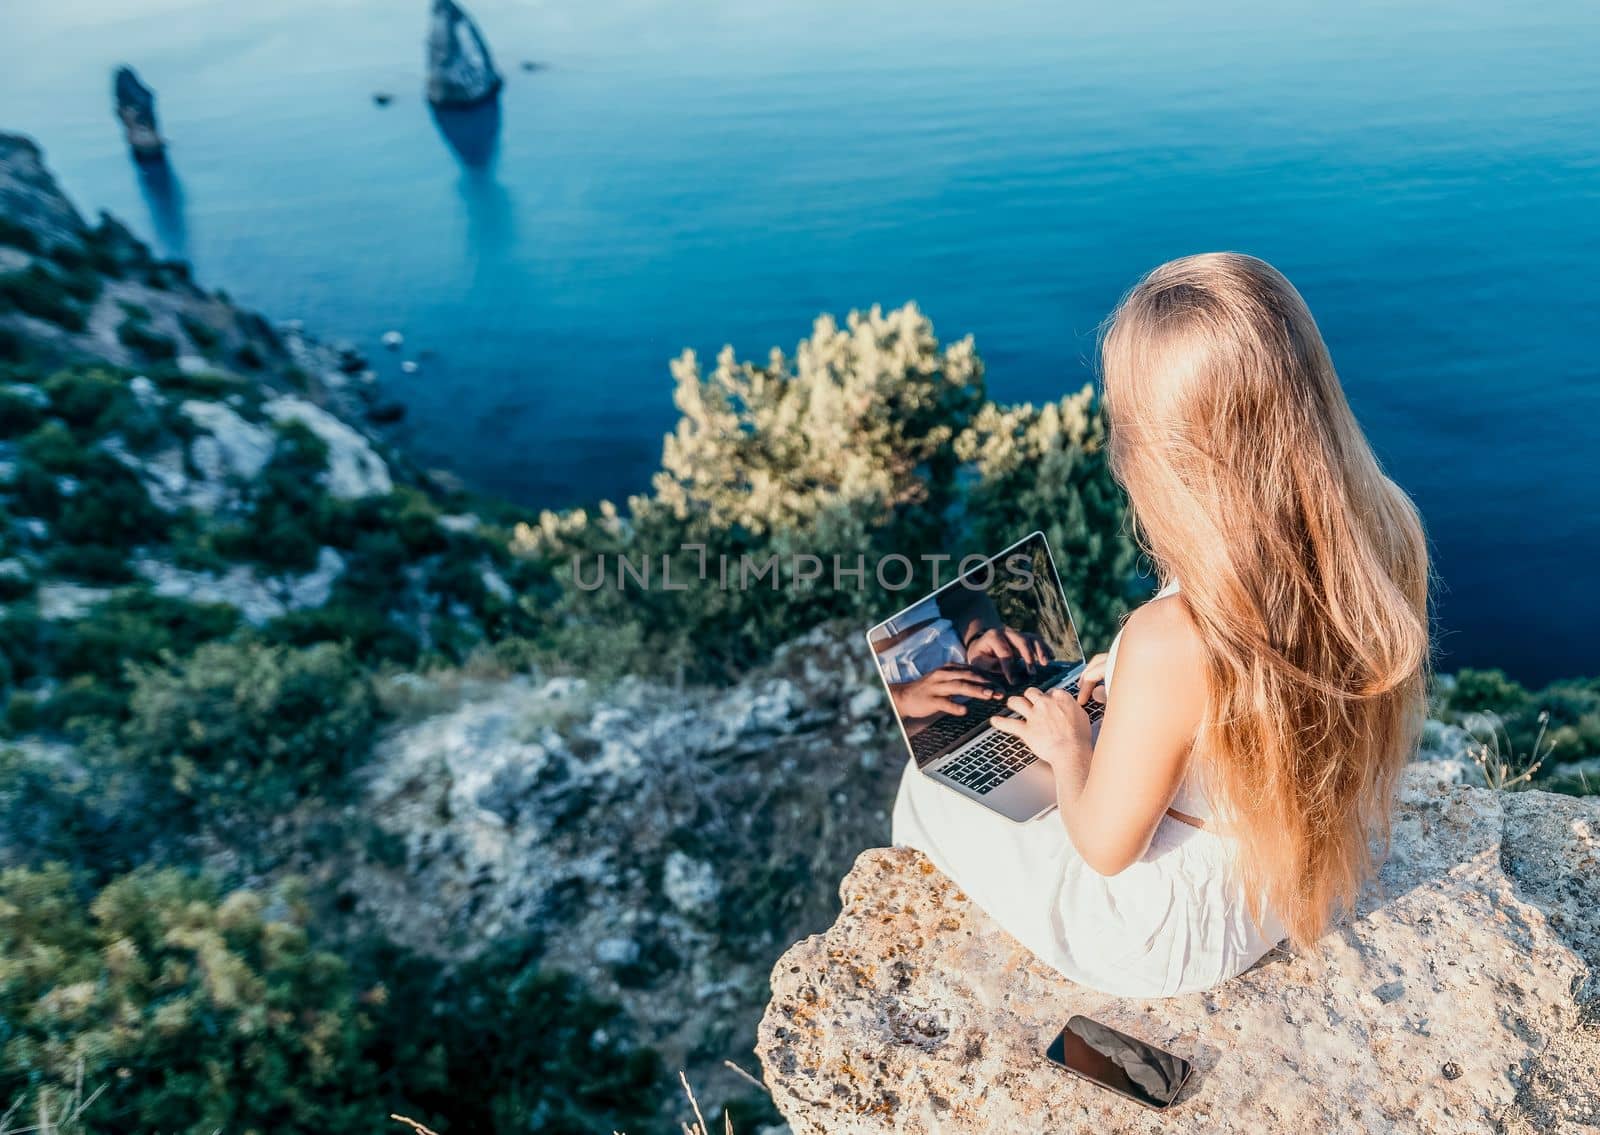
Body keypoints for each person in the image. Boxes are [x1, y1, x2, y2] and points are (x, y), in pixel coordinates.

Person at [892, 253, 1430, 996]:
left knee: (926, 787)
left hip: (1175, 934)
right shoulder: (1386, 525)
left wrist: (1071, 745)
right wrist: (1137, 691)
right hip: (1286, 874)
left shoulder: (1172, 635)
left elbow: (1107, 847)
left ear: (1165, 453)